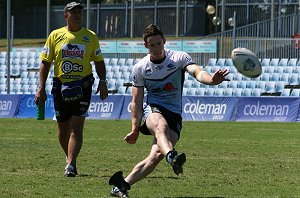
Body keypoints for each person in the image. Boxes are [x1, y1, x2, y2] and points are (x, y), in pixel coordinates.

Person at [108, 24, 229, 197]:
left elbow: (197, 72)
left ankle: (121, 185)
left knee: (156, 155)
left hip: (175, 113)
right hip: (153, 109)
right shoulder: (140, 68)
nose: (156, 48)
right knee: (160, 127)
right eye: (152, 45)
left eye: (159, 44)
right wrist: (135, 129)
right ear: (146, 46)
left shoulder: (179, 58)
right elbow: (136, 101)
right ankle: (172, 156)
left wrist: (212, 80)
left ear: (164, 41)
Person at [35, 2, 108, 177]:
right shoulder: (55, 35)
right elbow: (45, 62)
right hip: (60, 86)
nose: (77, 15)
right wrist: (41, 88)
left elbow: (98, 61)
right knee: (62, 129)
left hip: (83, 85)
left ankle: (71, 164)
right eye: (73, 12)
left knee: (77, 127)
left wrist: (103, 81)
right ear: (66, 15)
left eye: (80, 12)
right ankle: (69, 157)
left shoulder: (90, 36)